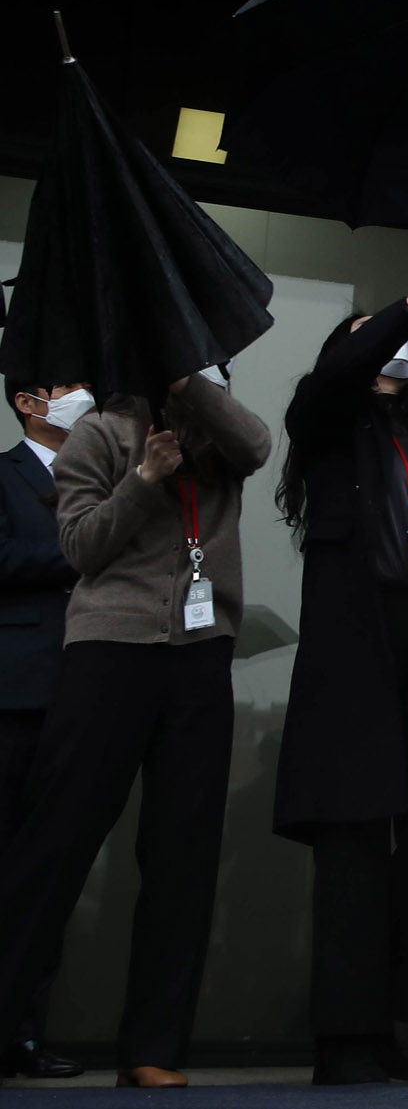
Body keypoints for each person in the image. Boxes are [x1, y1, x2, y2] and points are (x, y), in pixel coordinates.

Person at [0, 366, 271, 1088]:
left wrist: (192, 385)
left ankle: (153, 1046)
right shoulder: (96, 432)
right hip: (109, 649)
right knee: (57, 840)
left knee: (184, 851)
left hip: (202, 650)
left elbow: (257, 442)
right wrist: (144, 476)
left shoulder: (217, 431)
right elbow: (82, 547)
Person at [270, 241, 408, 1084]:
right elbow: (338, 373)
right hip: (356, 653)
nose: (394, 349)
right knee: (355, 849)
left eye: (401, 338)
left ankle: (395, 1023)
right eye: (373, 338)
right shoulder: (327, 420)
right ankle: (343, 1039)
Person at [0, 378, 89, 1081]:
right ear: (30, 401)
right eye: (68, 386)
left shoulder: (101, 477)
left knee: (51, 870)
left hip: (84, 692)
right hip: (16, 690)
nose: (84, 394)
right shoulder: (4, 476)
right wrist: (85, 548)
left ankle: (24, 1030)